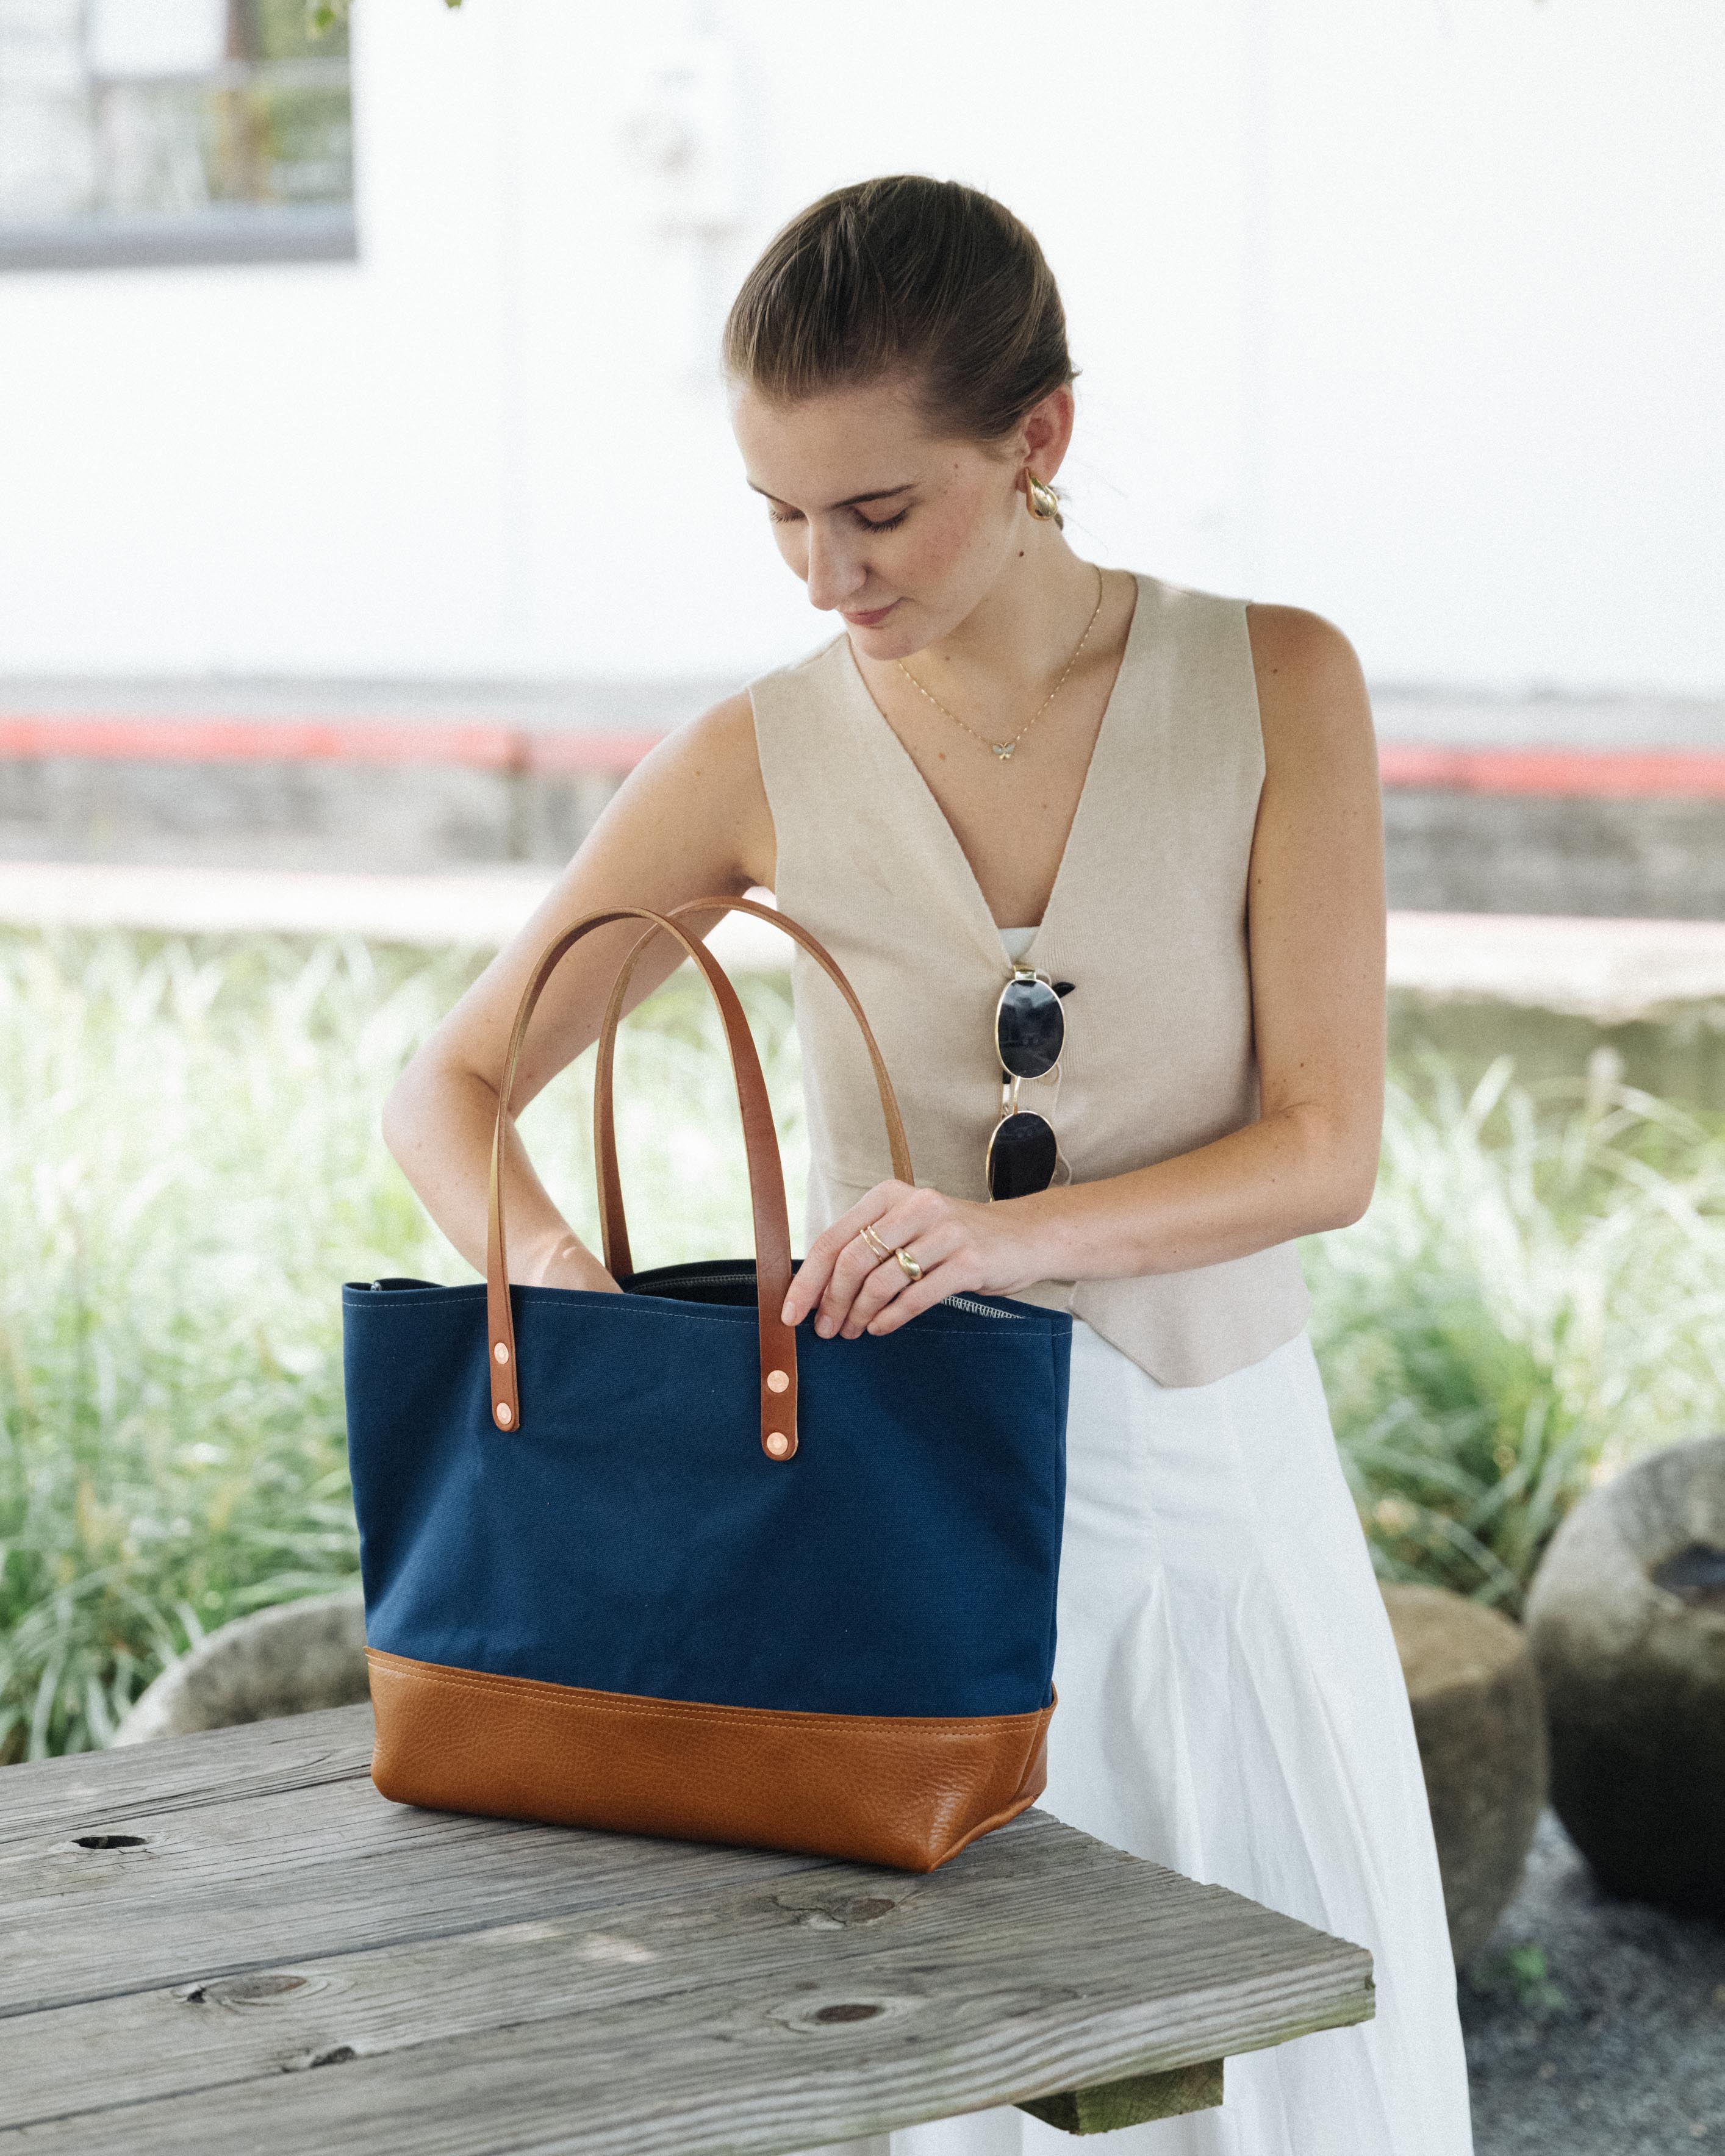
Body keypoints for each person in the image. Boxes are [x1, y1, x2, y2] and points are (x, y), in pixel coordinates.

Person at [383, 175, 1474, 2155]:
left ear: (1036, 437)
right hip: (888, 1518)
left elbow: (1326, 1147)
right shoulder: (753, 750)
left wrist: (995, 1236)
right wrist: (550, 1272)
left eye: (875, 511)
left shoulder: (1277, 685)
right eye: (780, 516)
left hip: (1207, 1500)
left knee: (1265, 2068)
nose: (822, 575)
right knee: (939, 2078)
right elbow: (444, 1086)